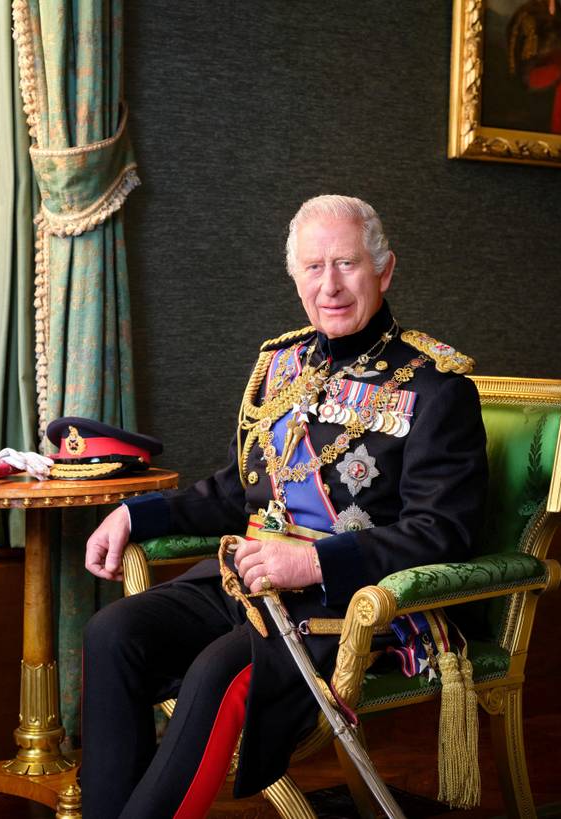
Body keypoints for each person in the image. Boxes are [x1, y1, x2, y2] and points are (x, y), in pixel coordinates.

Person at [81, 194, 488, 819]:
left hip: (349, 602)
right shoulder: (282, 365)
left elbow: (444, 532)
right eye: (313, 267)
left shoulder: (436, 386)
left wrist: (315, 564)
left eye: (347, 264)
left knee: (221, 671)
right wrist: (136, 515)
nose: (330, 285)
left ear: (384, 270)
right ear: (295, 278)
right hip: (248, 576)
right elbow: (238, 489)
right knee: (115, 632)